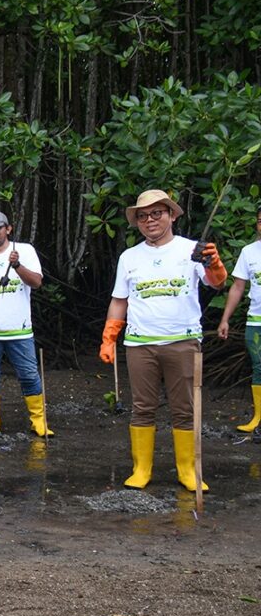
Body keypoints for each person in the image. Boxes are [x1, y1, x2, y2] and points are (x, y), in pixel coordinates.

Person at [100, 189, 226, 491]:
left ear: (171, 215)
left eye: (157, 213)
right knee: (142, 407)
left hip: (182, 341)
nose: (150, 220)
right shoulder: (129, 257)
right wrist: (109, 337)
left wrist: (214, 264)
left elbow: (216, 284)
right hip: (140, 344)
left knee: (184, 408)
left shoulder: (192, 249)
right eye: (143, 216)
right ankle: (141, 469)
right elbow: (120, 300)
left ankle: (188, 471)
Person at [0, 210, 51, 437]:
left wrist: (17, 266)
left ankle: (39, 421)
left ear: (8, 229)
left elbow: (36, 282)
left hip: (21, 330)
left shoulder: (24, 250)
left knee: (29, 374)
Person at [217, 207, 261, 432]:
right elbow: (237, 287)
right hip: (256, 321)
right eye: (260, 221)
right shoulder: (249, 252)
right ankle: (258, 418)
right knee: (258, 367)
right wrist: (225, 319)